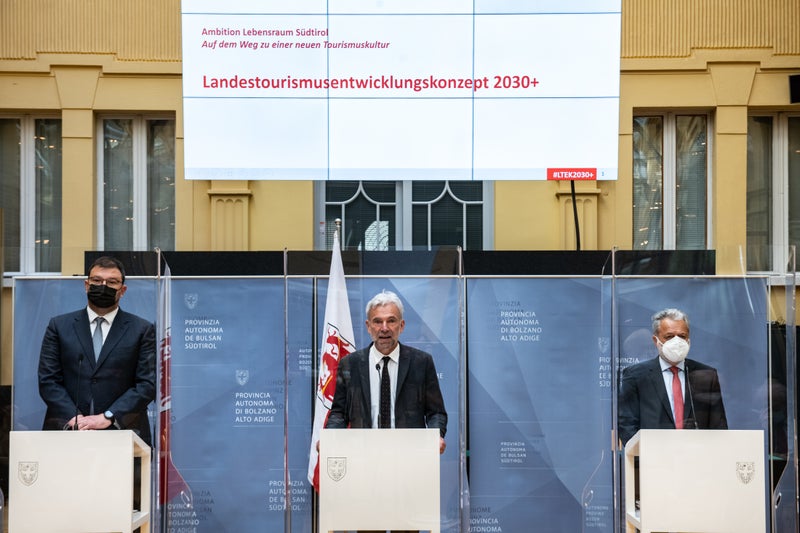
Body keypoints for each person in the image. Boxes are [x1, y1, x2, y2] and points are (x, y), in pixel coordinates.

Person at [38, 256, 157, 444]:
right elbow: (48, 380)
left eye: (112, 282)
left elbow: (146, 384)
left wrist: (108, 416)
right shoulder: (59, 326)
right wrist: (75, 418)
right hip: (68, 432)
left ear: (123, 290)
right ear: (86, 285)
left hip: (123, 433)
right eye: (97, 280)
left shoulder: (142, 329)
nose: (103, 286)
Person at [326, 289, 448, 453]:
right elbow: (339, 413)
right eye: (377, 322)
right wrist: (330, 438)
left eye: (391, 321)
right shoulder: (350, 364)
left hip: (409, 454)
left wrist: (436, 436)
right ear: (368, 326)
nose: (384, 328)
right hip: (363, 454)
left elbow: (436, 413)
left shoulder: (421, 362)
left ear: (401, 325)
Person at [618, 308, 727, 446]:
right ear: (656, 340)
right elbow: (627, 424)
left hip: (697, 454)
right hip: (654, 454)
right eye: (669, 336)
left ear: (688, 339)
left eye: (682, 336)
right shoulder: (636, 375)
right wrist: (644, 452)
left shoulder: (706, 375)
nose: (677, 341)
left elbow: (718, 426)